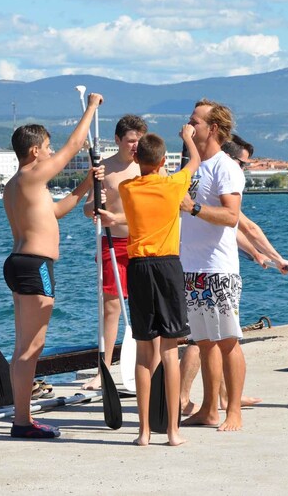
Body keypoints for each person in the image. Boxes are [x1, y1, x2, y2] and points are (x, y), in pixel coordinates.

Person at [2, 93, 104, 439]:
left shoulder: (17, 185)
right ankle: (22, 421)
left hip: (20, 263)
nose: (50, 152)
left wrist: (88, 183)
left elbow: (57, 211)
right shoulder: (31, 176)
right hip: (35, 266)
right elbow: (75, 145)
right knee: (32, 348)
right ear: (34, 151)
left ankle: (21, 417)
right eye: (47, 147)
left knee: (23, 348)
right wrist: (91, 106)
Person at [179, 134, 288, 415]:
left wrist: (259, 255)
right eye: (242, 163)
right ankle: (192, 399)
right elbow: (245, 226)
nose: (243, 170)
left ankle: (225, 398)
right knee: (205, 341)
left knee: (209, 339)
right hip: (200, 268)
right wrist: (275, 257)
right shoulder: (212, 177)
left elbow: (233, 230)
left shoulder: (205, 178)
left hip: (200, 267)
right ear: (230, 158)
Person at [118, 126, 200, 446]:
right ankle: (173, 432)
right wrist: (188, 135)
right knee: (169, 349)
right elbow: (193, 160)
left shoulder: (127, 188)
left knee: (143, 350)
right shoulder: (173, 186)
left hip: (138, 268)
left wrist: (136, 155)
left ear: (136, 157)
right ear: (163, 160)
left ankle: (143, 432)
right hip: (167, 266)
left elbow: (133, 168)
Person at [178, 98, 247, 432]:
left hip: (218, 269)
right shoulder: (193, 166)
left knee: (227, 341)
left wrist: (192, 208)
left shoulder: (225, 167)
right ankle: (208, 408)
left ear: (213, 129)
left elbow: (231, 216)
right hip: (191, 267)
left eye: (196, 122)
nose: (189, 127)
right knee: (203, 342)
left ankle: (233, 410)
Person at [82, 114, 147, 390]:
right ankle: (104, 370)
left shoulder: (147, 167)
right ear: (118, 140)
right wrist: (97, 203)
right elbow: (86, 208)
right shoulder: (103, 169)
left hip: (142, 243)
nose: (135, 146)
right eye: (131, 141)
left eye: (139, 141)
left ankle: (145, 366)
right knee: (111, 309)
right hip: (112, 244)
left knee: (144, 307)